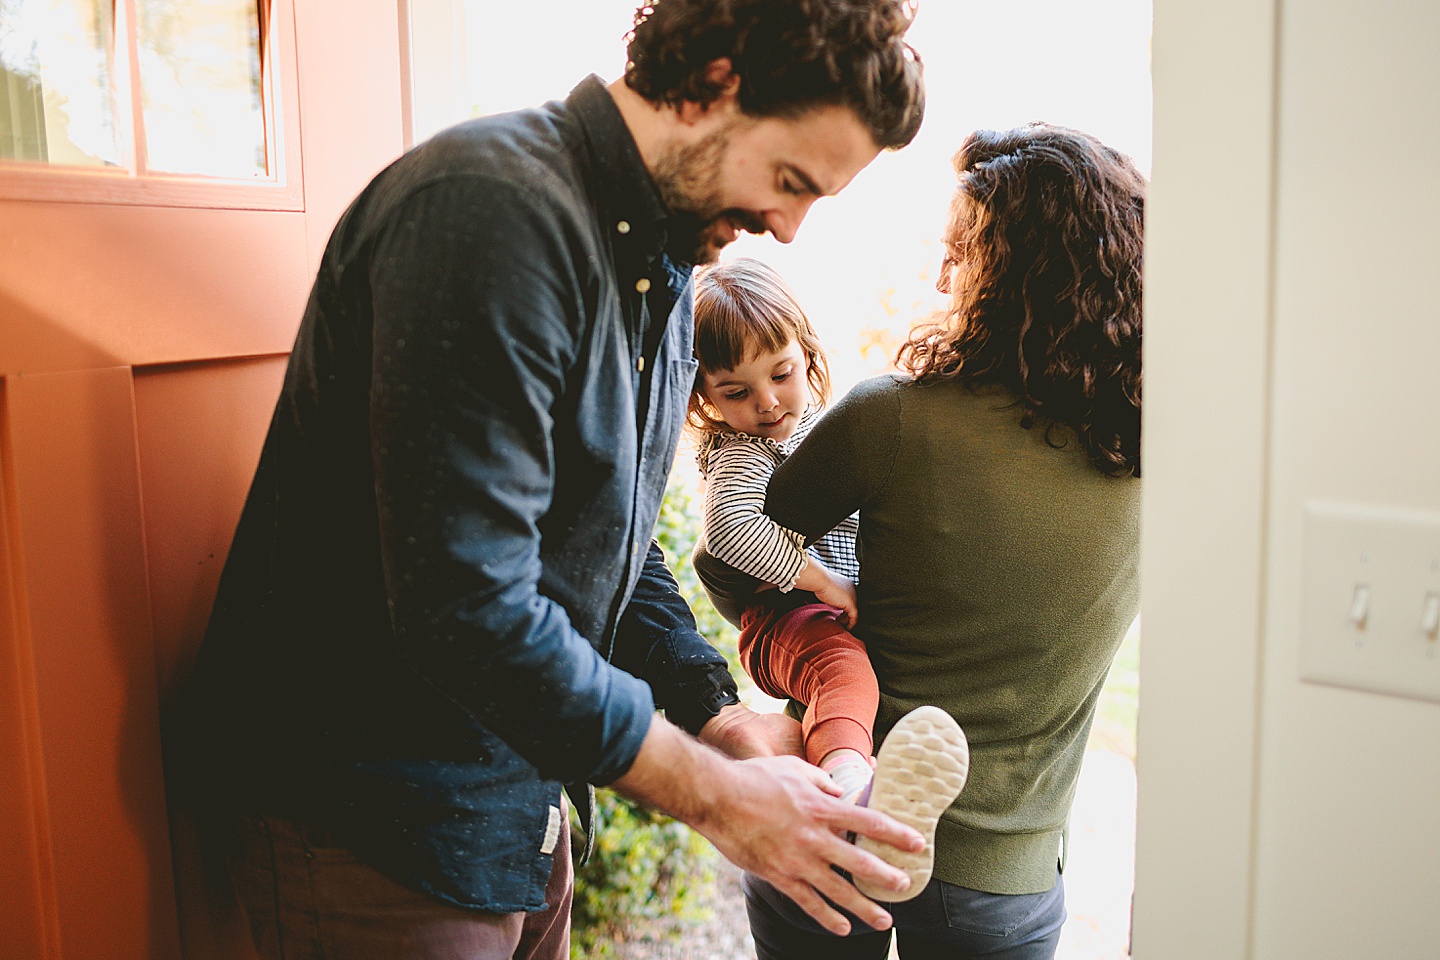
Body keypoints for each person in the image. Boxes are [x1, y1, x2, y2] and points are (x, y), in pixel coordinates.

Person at [173, 3, 931, 958]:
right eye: (789, 180)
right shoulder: (489, 214)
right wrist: (716, 797)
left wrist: (717, 715)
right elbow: (467, 603)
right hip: (376, 824)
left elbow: (611, 541)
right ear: (717, 80)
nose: (785, 227)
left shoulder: (660, 260)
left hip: (519, 810)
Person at [702, 123, 1146, 959]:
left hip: (832, 829)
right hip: (1002, 871)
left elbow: (728, 558)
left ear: (1015, 278)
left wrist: (800, 627)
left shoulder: (893, 417)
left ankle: (852, 760)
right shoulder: (1152, 457)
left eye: (964, 255)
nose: (946, 276)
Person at [687, 257, 970, 896]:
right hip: (782, 618)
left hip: (823, 612)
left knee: (852, 671)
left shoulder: (824, 424)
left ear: (806, 354)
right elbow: (731, 534)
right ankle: (852, 785)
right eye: (735, 392)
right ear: (705, 396)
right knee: (842, 669)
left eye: (781, 375)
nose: (765, 403)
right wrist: (821, 582)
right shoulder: (739, 455)